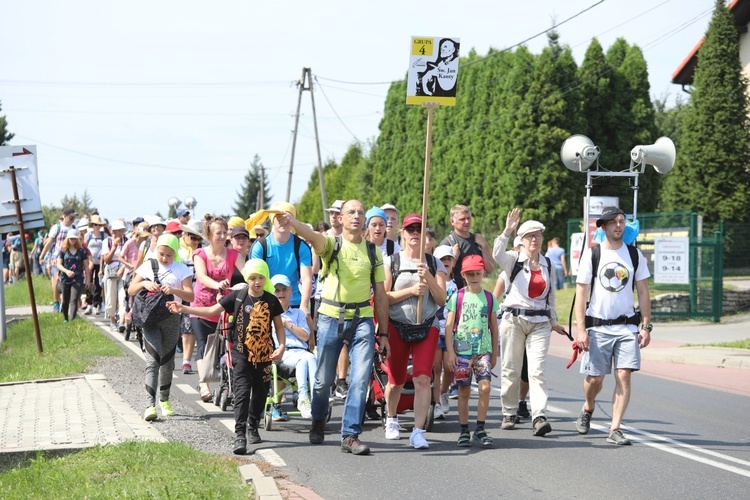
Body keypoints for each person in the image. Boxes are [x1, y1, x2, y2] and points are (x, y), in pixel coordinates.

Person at [276, 200, 390, 456]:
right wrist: (292, 222)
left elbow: (381, 295)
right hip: (330, 317)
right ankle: (318, 419)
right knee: (322, 380)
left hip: (362, 320)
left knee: (360, 380)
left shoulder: (373, 252)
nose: (357, 216)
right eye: (351, 212)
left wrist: (383, 333)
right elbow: (311, 235)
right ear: (340, 218)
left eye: (361, 213)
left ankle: (350, 435)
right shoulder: (332, 244)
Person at [167, 259, 285, 455]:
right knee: (241, 392)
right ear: (247, 278)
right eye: (253, 278)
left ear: (265, 279)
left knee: (260, 393)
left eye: (260, 278)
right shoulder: (238, 296)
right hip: (240, 353)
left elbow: (279, 327)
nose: (256, 282)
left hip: (264, 355)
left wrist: (281, 347)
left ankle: (253, 424)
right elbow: (211, 311)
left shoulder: (271, 300)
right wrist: (185, 309)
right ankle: (240, 435)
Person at [574, 206, 651, 446]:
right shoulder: (592, 255)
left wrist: (646, 325)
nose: (619, 225)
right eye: (613, 222)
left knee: (624, 376)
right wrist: (580, 329)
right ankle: (588, 406)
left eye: (622, 221)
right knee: (595, 379)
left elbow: (643, 291)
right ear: (604, 226)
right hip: (598, 327)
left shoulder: (634, 255)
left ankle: (615, 427)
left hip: (627, 327)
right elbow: (580, 292)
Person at [492, 209, 567, 437]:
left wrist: (553, 321)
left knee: (536, 371)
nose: (534, 240)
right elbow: (496, 254)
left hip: (540, 323)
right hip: (514, 320)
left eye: (538, 236)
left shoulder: (547, 263)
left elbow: (550, 295)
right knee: (511, 369)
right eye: (529, 236)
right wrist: (507, 230)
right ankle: (509, 412)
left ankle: (539, 416)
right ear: (522, 240)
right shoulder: (513, 260)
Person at [382, 214, 446, 449]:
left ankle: (418, 431)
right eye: (410, 229)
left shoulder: (433, 263)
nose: (415, 233)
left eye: (419, 229)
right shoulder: (391, 262)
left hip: (426, 326)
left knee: (422, 378)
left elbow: (441, 299)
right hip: (397, 326)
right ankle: (391, 419)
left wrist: (428, 276)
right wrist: (411, 291)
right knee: (396, 380)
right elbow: (384, 298)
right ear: (403, 234)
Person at [129, 234, 194, 422]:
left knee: (167, 362)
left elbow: (190, 296)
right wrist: (143, 283)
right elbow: (131, 289)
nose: (165, 258)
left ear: (175, 253)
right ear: (156, 250)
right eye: (161, 254)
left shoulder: (182, 269)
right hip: (150, 318)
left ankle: (164, 399)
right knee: (152, 360)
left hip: (172, 318)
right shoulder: (148, 265)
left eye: (169, 255)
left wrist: (173, 290)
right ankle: (149, 404)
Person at [444, 254, 498, 447]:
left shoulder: (489, 298)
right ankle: (464, 430)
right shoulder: (457, 297)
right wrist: (450, 352)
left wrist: (495, 352)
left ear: (483, 273)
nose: (475, 276)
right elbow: (449, 326)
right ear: (464, 275)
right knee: (464, 391)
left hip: (483, 351)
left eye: (478, 273)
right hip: (462, 352)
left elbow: (494, 327)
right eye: (470, 274)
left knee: (485, 387)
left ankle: (480, 428)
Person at [191, 214, 243, 402]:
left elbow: (246, 273)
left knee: (227, 347)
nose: (222, 236)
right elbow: (202, 277)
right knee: (203, 345)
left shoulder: (233, 254)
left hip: (224, 307)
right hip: (201, 306)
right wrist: (218, 285)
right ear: (209, 235)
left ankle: (230, 382)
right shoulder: (200, 254)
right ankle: (204, 384)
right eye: (218, 233)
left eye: (224, 232)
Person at [492, 236, 531, 422]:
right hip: (510, 322)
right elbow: (494, 300)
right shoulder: (504, 275)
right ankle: (511, 407)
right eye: (517, 248)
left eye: (522, 248)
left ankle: (521, 400)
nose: (520, 251)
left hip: (531, 322)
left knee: (528, 369)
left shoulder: (535, 269)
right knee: (512, 367)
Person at [271, 274, 316, 419]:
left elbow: (305, 336)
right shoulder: (268, 315)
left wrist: (286, 324)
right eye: (277, 290)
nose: (281, 293)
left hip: (300, 351)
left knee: (309, 357)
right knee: (305, 359)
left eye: (284, 289)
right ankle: (304, 397)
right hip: (283, 353)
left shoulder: (298, 314)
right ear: (272, 293)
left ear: (291, 292)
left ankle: (314, 397)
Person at [440, 205, 494, 289]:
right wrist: (454, 257)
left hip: (474, 291)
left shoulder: (477, 240)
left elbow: (491, 270)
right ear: (452, 221)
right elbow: (441, 273)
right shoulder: (448, 243)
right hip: (454, 292)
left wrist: (485, 246)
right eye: (462, 219)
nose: (467, 221)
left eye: (468, 218)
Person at [432, 245, 457, 419]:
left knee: (450, 367)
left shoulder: (458, 284)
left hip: (451, 330)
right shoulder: (432, 280)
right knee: (436, 367)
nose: (445, 262)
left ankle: (444, 392)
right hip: (435, 327)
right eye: (442, 259)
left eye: (448, 259)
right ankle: (436, 403)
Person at [178, 218, 204, 374]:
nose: (195, 241)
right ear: (185, 235)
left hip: (194, 293)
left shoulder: (202, 251)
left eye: (198, 238)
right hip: (176, 291)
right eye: (192, 237)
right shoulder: (177, 250)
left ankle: (186, 361)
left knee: (189, 328)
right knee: (175, 326)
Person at [39, 207, 78, 312]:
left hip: (70, 259)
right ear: (64, 217)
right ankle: (56, 302)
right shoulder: (57, 227)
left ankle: (64, 303)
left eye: (74, 218)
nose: (72, 220)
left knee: (67, 282)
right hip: (56, 258)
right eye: (71, 218)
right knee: (56, 279)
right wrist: (41, 256)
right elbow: (49, 242)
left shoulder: (74, 228)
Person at [55, 229, 90, 323]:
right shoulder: (63, 250)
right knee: (65, 300)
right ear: (67, 239)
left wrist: (88, 280)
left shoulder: (81, 251)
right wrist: (66, 271)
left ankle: (72, 320)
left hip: (78, 278)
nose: (72, 240)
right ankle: (65, 318)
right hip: (65, 278)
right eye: (71, 239)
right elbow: (58, 264)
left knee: (73, 299)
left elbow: (86, 266)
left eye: (74, 239)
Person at [101, 219, 129, 332]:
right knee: (111, 298)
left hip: (123, 272)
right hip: (111, 272)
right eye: (119, 230)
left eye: (122, 230)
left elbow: (128, 257)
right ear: (114, 231)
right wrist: (114, 247)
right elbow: (106, 260)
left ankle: (121, 322)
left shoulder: (127, 240)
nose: (122, 232)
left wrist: (123, 268)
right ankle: (112, 321)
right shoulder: (107, 241)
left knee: (122, 298)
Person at [84, 215, 107, 315]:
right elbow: (84, 248)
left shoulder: (104, 236)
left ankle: (96, 304)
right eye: (95, 224)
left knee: (98, 284)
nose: (97, 226)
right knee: (88, 282)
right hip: (90, 262)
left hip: (100, 263)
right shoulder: (88, 236)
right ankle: (88, 303)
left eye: (98, 224)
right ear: (92, 225)